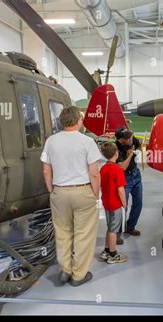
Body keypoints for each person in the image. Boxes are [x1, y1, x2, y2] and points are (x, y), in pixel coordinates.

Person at [41, 106, 102, 287]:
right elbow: (94, 173)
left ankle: (65, 270)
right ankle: (78, 275)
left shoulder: (51, 141)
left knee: (62, 231)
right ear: (79, 121)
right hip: (83, 191)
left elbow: (46, 169)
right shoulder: (87, 141)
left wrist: (52, 189)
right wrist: (95, 193)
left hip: (59, 192)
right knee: (84, 233)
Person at [99, 142, 128, 264]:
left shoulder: (103, 168)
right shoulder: (117, 170)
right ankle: (113, 254)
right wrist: (125, 204)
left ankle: (106, 250)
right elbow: (120, 190)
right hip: (116, 204)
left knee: (110, 227)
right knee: (114, 230)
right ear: (116, 153)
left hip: (106, 202)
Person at [115, 127, 143, 245]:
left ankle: (130, 227)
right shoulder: (115, 149)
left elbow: (139, 145)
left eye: (131, 136)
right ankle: (116, 234)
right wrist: (130, 155)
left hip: (136, 175)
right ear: (121, 140)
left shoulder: (132, 139)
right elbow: (122, 168)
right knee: (122, 207)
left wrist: (136, 149)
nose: (131, 139)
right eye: (128, 138)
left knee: (138, 202)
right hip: (124, 178)